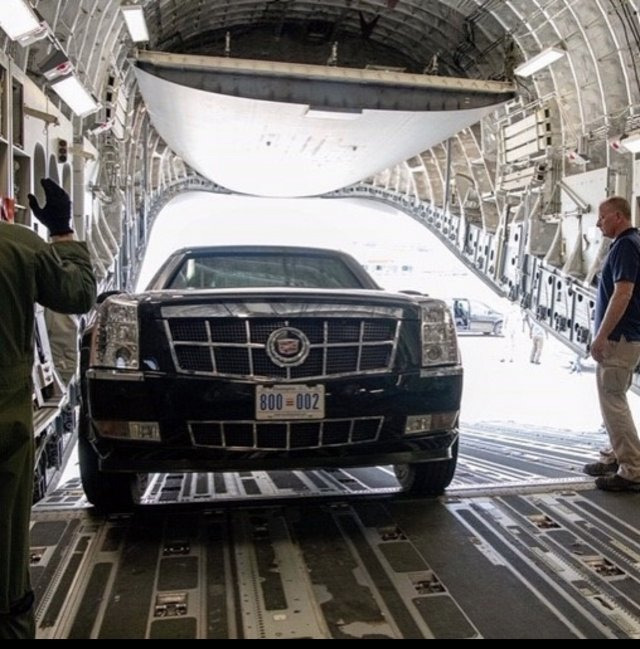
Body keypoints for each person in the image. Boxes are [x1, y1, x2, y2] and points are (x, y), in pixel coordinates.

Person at [0, 179, 96, 639]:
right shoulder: (18, 245)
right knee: (6, 547)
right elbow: (78, 294)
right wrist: (61, 231)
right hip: (3, 422)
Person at [583, 196, 640, 492]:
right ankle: (614, 455)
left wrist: (602, 335)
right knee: (613, 399)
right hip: (626, 337)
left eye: (602, 217)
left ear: (618, 216)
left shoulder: (627, 246)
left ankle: (632, 468)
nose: (598, 223)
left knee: (614, 401)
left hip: (618, 339)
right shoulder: (630, 243)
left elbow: (623, 294)